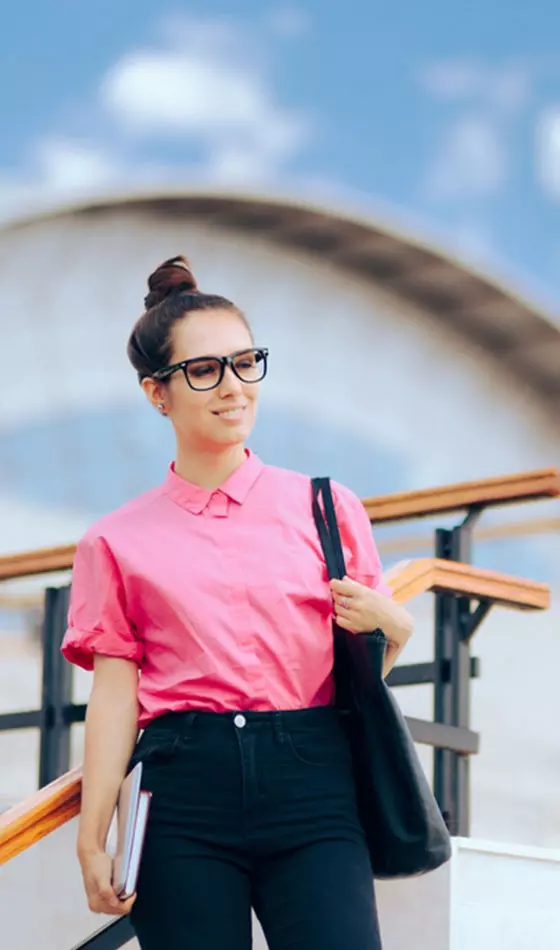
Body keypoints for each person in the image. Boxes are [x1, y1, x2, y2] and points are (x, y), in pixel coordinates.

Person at [61, 255, 414, 950]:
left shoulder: (325, 507)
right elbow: (114, 699)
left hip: (314, 780)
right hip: (183, 790)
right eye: (203, 370)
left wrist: (398, 625)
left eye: (245, 362)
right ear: (157, 393)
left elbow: (359, 667)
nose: (232, 387)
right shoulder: (113, 540)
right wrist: (91, 836)